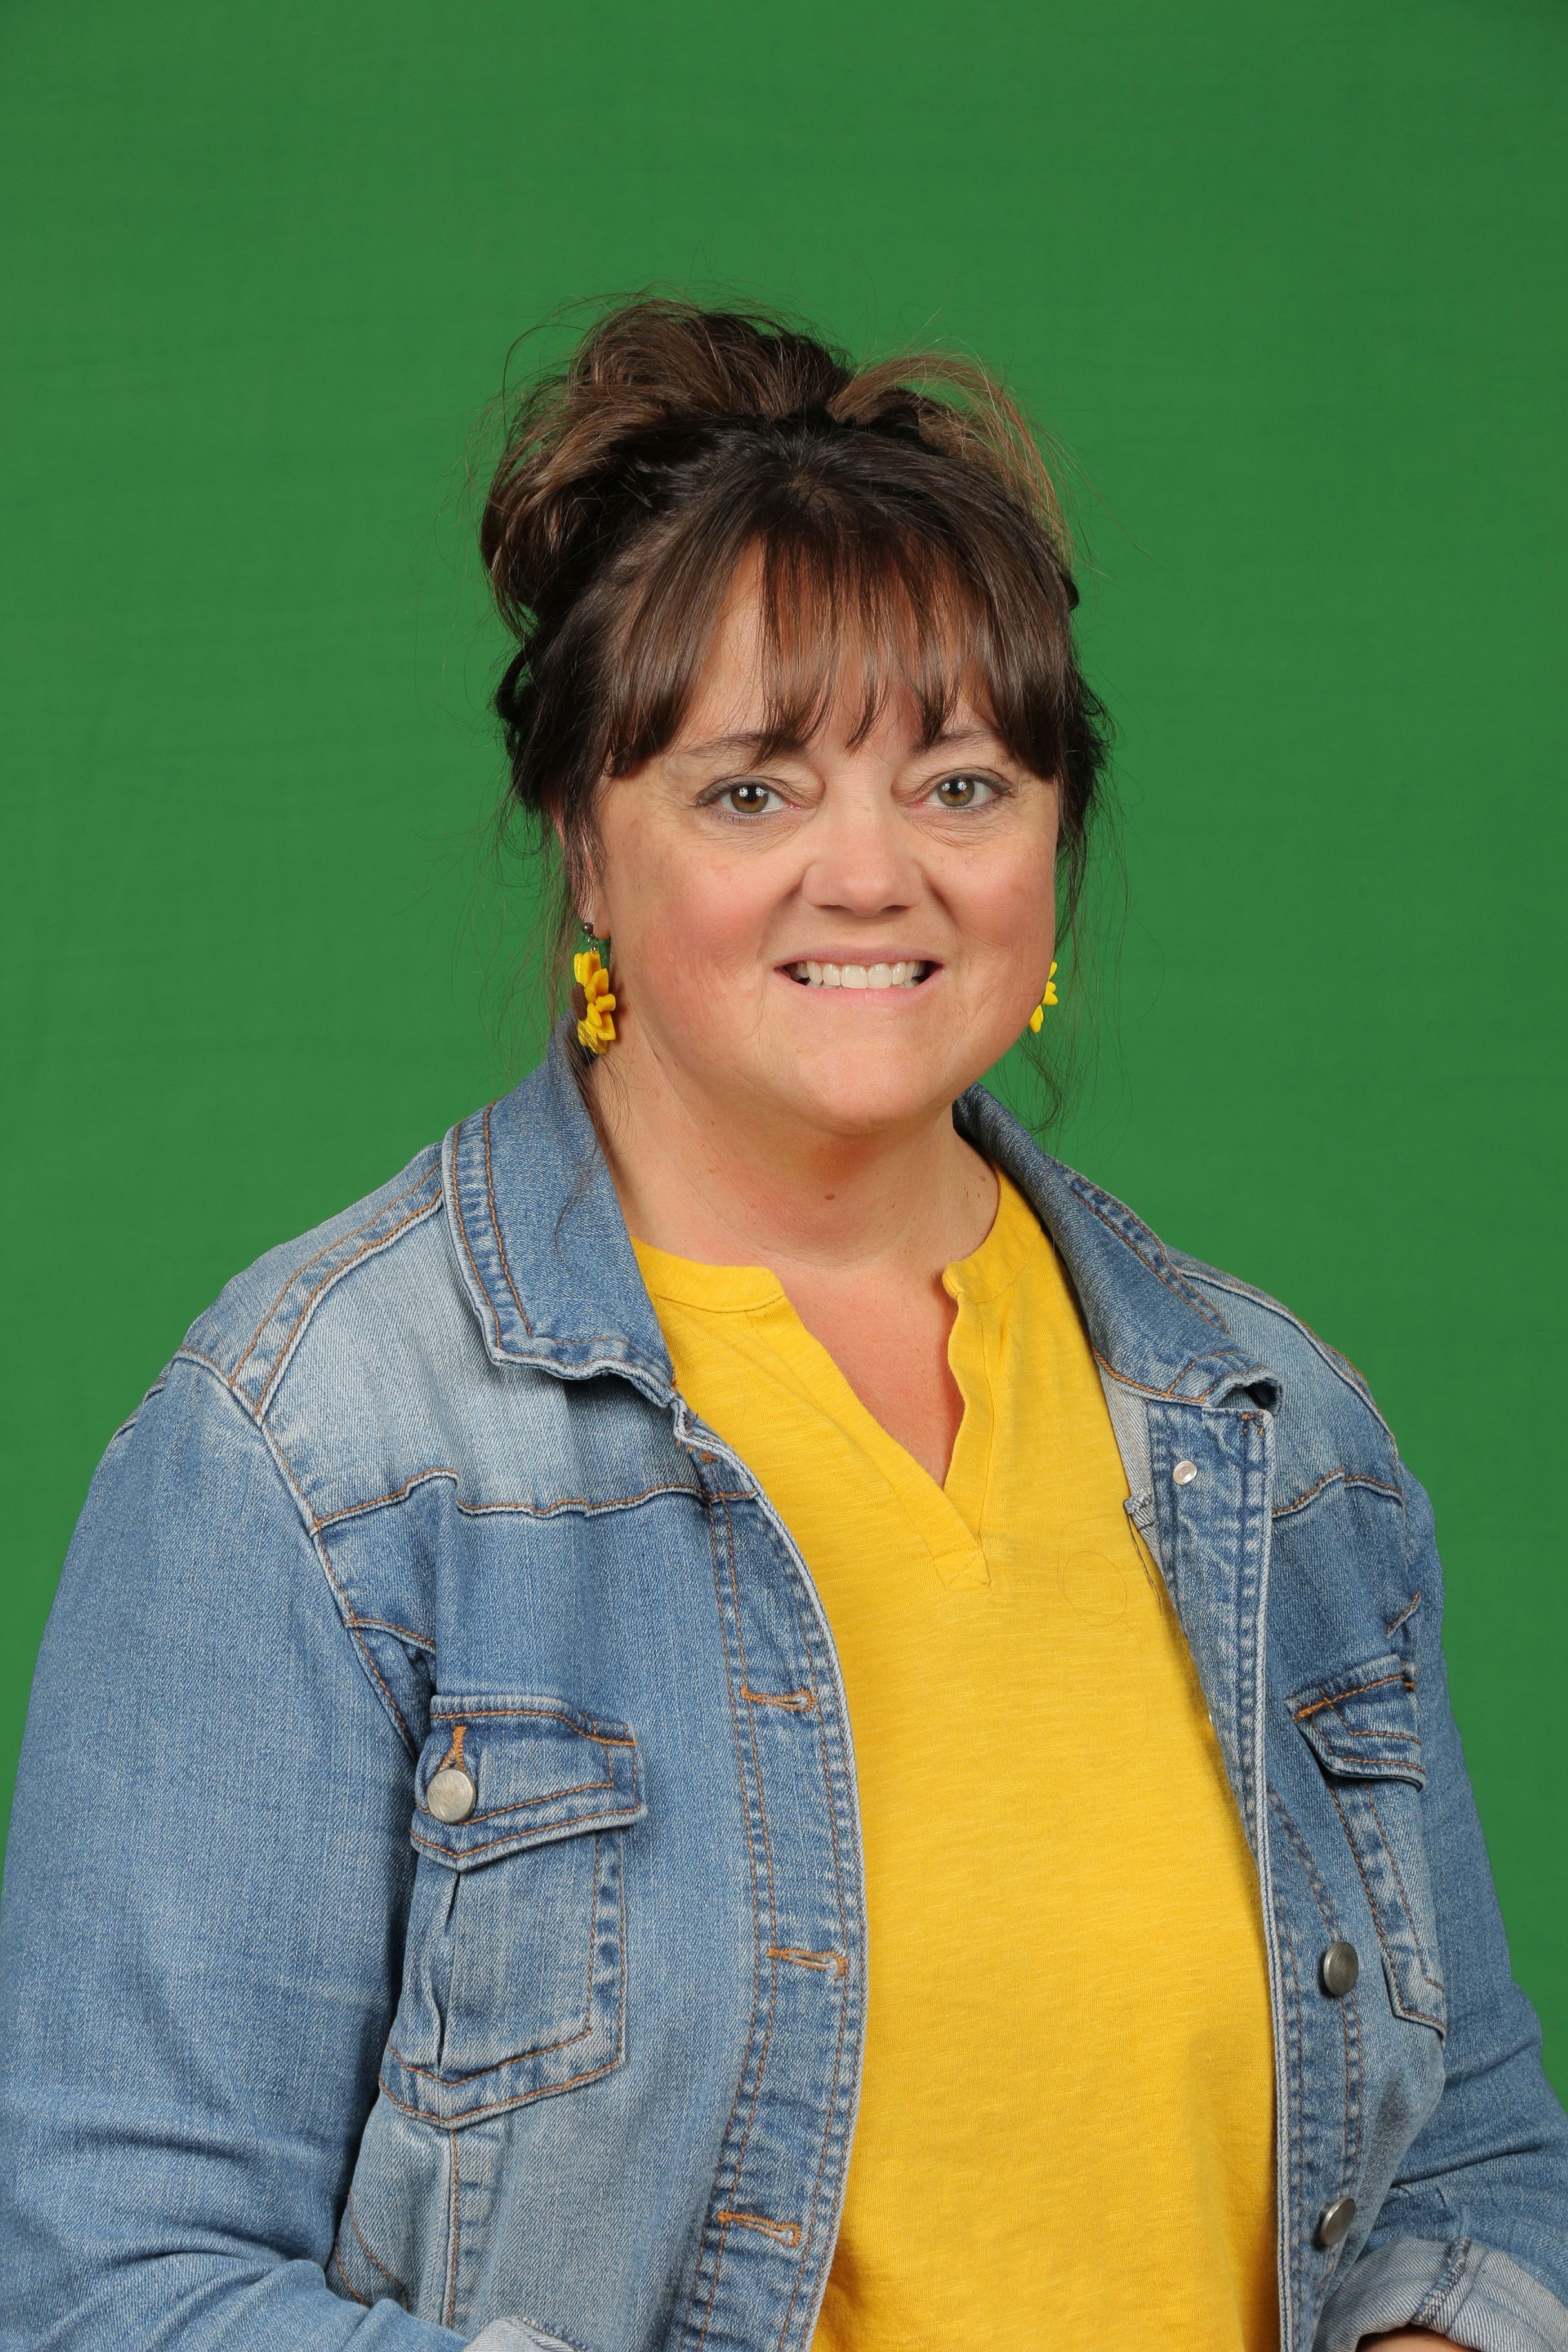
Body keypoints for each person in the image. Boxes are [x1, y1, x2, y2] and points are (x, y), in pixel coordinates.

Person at [1, 300, 1563, 2352]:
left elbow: (1468, 2170)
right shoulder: (317, 1446)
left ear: (1056, 841)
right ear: (588, 838)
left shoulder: (1283, 1439)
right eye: (754, 792)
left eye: (961, 782)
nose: (872, 873)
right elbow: (112, 2283)